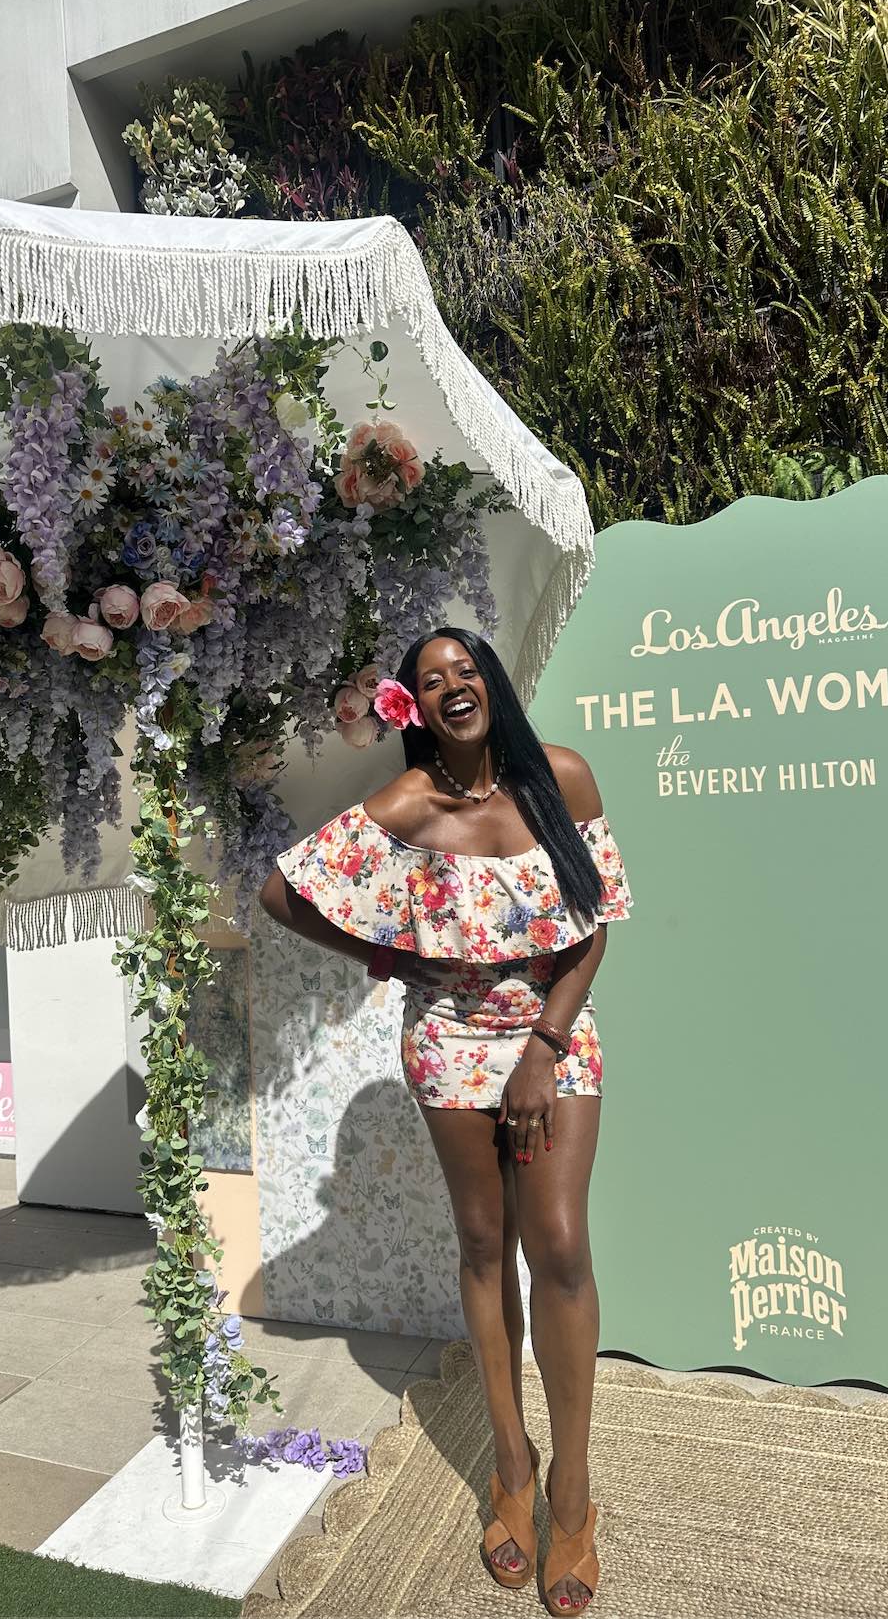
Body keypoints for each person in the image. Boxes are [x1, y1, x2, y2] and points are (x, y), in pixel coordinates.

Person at [257, 625, 634, 1616]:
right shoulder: (407, 805)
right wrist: (385, 959)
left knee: (555, 1247)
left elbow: (593, 925)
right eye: (429, 680)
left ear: (489, 682)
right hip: (444, 1044)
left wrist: (544, 1047)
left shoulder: (560, 775)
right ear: (413, 709)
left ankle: (570, 1490)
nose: (451, 686)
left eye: (463, 669)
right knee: (481, 1244)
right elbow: (280, 891)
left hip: (549, 1043)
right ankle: (509, 1466)